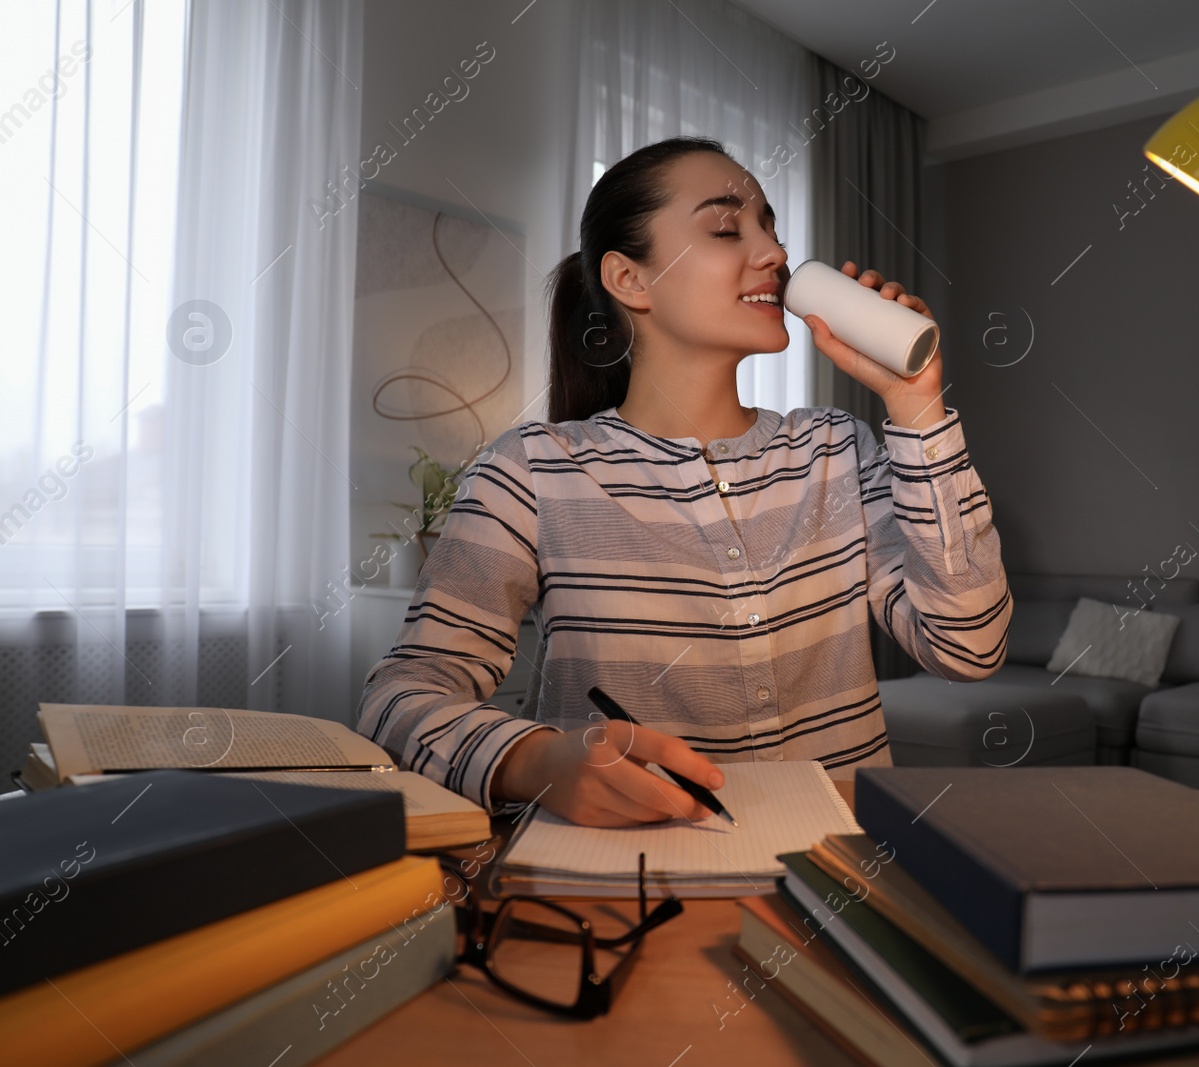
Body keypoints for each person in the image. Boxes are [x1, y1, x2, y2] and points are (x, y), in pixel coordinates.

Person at [356, 136, 1011, 827]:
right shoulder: (532, 472)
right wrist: (538, 761)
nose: (776, 254)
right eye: (728, 227)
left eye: (771, 227)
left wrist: (916, 405)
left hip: (839, 877)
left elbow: (970, 647)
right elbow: (399, 698)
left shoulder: (835, 451)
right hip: (631, 887)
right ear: (630, 280)